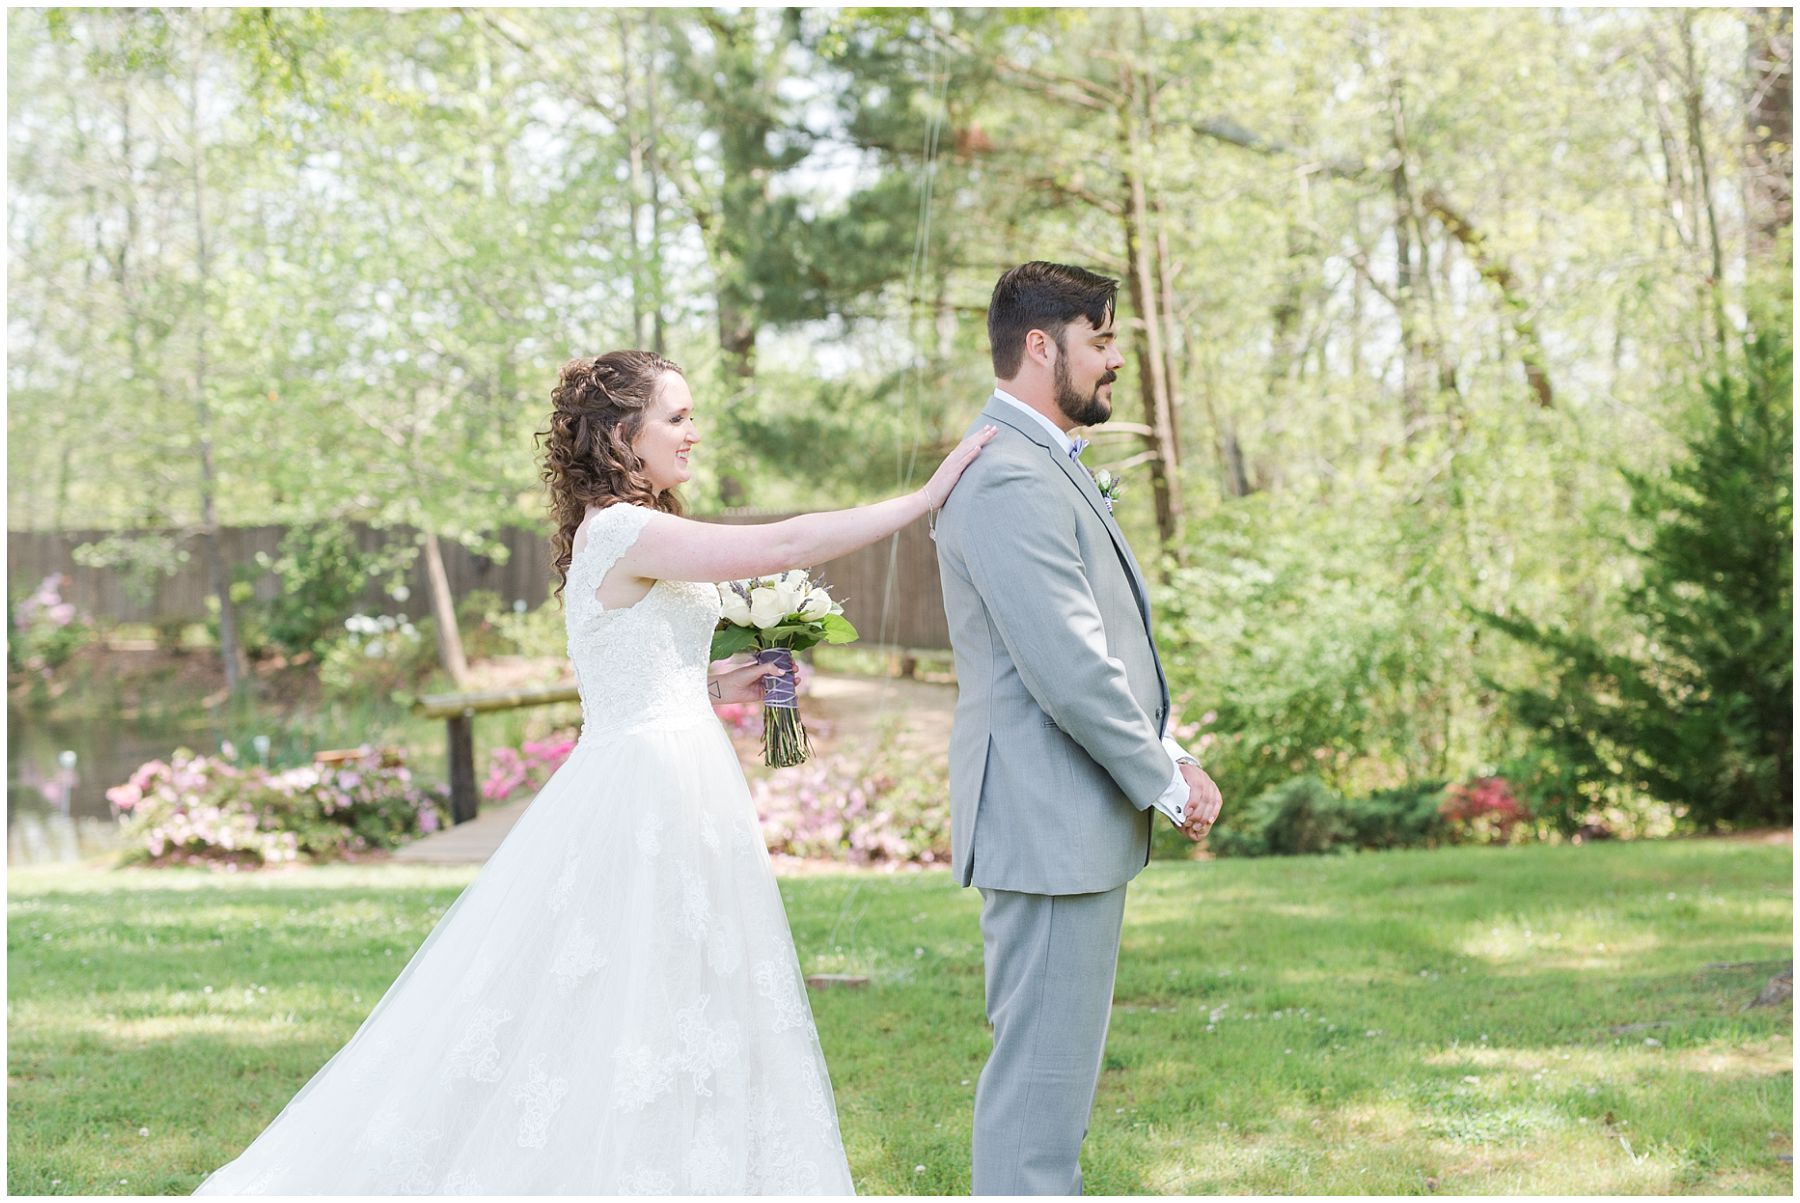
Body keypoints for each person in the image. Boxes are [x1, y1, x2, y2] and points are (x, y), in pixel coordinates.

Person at [193, 349, 996, 1195]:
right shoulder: (620, 528)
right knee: (627, 995)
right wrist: (925, 494)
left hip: (680, 774)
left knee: (684, 992)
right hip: (646, 790)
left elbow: (640, 663)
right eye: (677, 418)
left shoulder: (623, 529)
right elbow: (787, 539)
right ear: (623, 433)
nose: (693, 432)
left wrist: (727, 679)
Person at [933, 261, 1226, 1195]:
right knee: (1036, 1108)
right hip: (1042, 822)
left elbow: (1098, 640)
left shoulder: (1036, 460)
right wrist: (1168, 782)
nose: (1113, 361)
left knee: (1051, 1099)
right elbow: (1068, 667)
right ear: (1038, 345)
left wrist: (1169, 747)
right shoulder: (1007, 477)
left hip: (1064, 823)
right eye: (1099, 341)